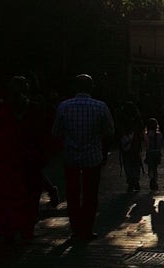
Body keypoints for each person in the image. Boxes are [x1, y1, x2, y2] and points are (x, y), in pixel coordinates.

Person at [52, 74, 115, 240]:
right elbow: (110, 130)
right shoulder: (100, 106)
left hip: (70, 156)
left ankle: (75, 229)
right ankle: (87, 229)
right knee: (90, 194)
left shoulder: (64, 106)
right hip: (92, 156)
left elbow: (56, 131)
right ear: (91, 87)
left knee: (72, 194)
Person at [0, 76, 51, 242]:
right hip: (27, 160)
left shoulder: (2, 108)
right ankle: (26, 229)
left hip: (8, 160)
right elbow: (41, 135)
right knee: (29, 197)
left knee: (8, 196)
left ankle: (9, 229)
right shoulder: (33, 109)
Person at [119, 101, 144, 192]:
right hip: (135, 144)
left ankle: (130, 181)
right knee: (136, 162)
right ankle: (136, 180)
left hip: (125, 144)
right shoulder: (138, 120)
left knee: (127, 163)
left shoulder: (123, 120)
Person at [143, 118, 163, 191]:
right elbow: (160, 144)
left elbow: (147, 145)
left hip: (150, 153)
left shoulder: (146, 135)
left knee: (150, 167)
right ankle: (154, 179)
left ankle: (152, 179)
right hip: (157, 152)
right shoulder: (159, 135)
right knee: (155, 168)